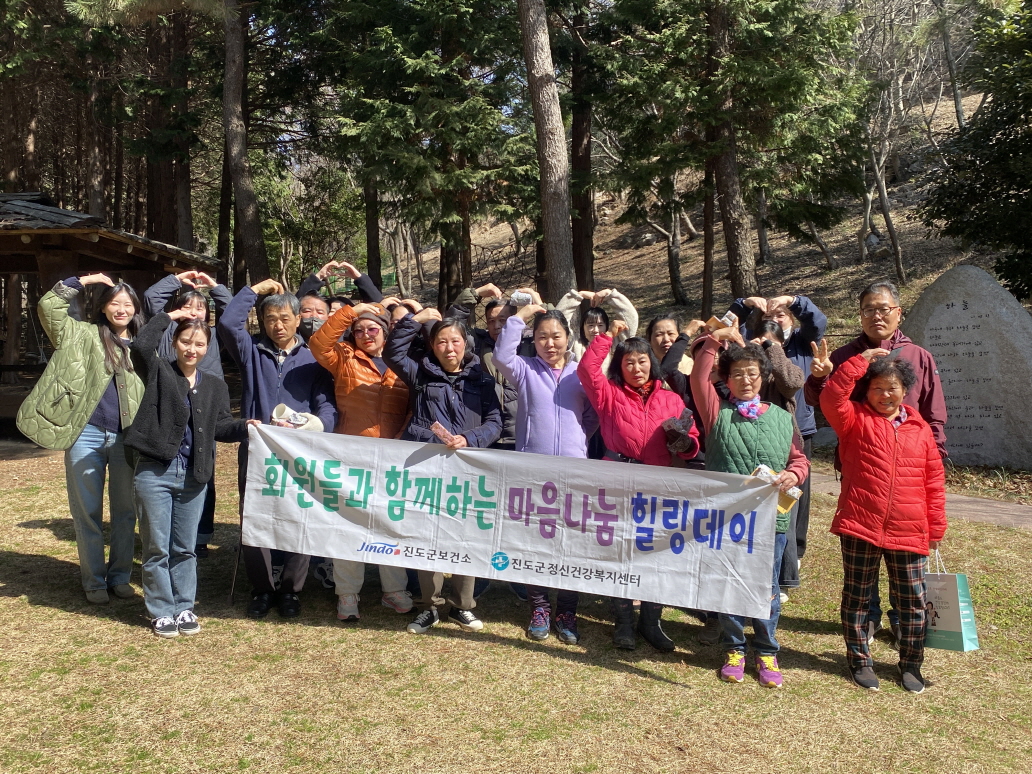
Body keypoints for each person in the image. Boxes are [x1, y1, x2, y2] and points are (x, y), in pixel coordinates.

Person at [806, 281, 947, 645]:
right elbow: (822, 401)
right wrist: (819, 378)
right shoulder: (844, 354)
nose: (876, 316)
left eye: (884, 309)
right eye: (869, 309)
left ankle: (902, 619)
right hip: (863, 467)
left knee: (905, 552)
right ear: (860, 315)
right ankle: (867, 617)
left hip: (911, 472)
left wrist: (935, 456)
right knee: (862, 546)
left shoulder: (918, 356)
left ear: (899, 312)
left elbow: (933, 412)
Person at [820, 350, 946, 693]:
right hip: (860, 523)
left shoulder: (920, 429)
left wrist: (936, 527)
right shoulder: (853, 418)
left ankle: (911, 665)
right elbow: (831, 397)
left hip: (910, 528)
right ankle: (860, 660)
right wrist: (859, 362)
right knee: (857, 597)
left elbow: (934, 482)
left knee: (912, 601)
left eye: (892, 387)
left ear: (904, 390)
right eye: (877, 387)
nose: (884, 394)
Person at [690, 329, 810, 688]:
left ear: (764, 377)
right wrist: (714, 340)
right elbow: (698, 378)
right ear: (726, 379)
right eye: (737, 373)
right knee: (728, 583)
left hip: (771, 520)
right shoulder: (717, 413)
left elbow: (799, 459)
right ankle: (734, 648)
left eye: (752, 373)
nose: (745, 379)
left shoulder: (781, 417)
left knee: (767, 587)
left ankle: (767, 650)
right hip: (727, 520)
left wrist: (794, 474)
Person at [126, 310, 256, 637]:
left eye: (199, 344)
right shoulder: (158, 371)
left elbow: (221, 426)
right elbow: (140, 346)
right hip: (155, 471)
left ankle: (184, 607)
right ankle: (161, 610)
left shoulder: (214, 385)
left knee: (185, 547)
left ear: (207, 348)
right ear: (174, 342)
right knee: (156, 547)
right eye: (185, 341)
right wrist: (169, 315)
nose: (191, 349)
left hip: (194, 476)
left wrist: (246, 426)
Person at [19, 274, 145, 604]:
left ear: (135, 309)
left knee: (125, 512)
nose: (121, 309)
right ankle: (94, 581)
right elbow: (49, 307)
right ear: (102, 307)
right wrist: (85, 280)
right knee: (87, 512)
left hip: (126, 438)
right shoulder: (80, 333)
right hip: (85, 434)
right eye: (114, 302)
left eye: (127, 304)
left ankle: (120, 577)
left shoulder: (144, 347)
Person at [218, 279, 337, 620]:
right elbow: (227, 323)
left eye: (285, 318)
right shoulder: (251, 351)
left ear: (299, 319)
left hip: (299, 451)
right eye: (270, 319)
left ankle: (290, 590)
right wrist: (253, 291)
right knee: (255, 517)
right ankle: (262, 588)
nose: (278, 325)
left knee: (299, 516)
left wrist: (319, 425)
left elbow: (326, 404)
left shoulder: (313, 358)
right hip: (258, 448)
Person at [578, 320, 699, 652]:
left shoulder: (671, 399)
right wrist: (606, 337)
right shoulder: (609, 394)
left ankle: (651, 622)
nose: (636, 368)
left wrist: (685, 444)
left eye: (642, 361)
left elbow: (691, 441)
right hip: (618, 477)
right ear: (620, 366)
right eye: (628, 362)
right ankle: (623, 623)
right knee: (621, 550)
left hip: (658, 481)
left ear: (652, 363)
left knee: (654, 550)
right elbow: (587, 370)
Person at [385, 309, 502, 634]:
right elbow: (392, 352)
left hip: (468, 468)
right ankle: (430, 607)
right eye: (441, 342)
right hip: (429, 468)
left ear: (466, 344)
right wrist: (416, 318)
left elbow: (495, 421)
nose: (449, 348)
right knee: (429, 537)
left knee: (466, 536)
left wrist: (470, 439)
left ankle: (462, 607)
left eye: (455, 341)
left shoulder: (482, 378)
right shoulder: (419, 373)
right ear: (433, 345)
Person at [492, 304, 599, 644]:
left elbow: (592, 415)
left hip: (573, 472)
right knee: (533, 542)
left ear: (568, 338)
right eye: (542, 337)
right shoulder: (525, 370)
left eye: (556, 336)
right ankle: (539, 607)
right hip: (533, 472)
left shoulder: (580, 373)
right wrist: (519, 316)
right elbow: (501, 355)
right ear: (533, 340)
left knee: (570, 543)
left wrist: (577, 441)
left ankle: (567, 610)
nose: (549, 343)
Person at [308, 300, 413, 622]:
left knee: (390, 523)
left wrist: (402, 440)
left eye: (372, 328)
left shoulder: (401, 362)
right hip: (351, 455)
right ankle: (347, 593)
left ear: (385, 332)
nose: (366, 334)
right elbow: (318, 344)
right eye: (359, 330)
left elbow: (413, 407)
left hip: (393, 456)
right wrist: (350, 312)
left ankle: (394, 589)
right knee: (349, 524)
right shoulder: (344, 357)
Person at [731, 294, 826, 592]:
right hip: (746, 434)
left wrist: (774, 345)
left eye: (781, 315)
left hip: (789, 436)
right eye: (768, 319)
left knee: (789, 503)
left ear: (791, 320)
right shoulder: (746, 356)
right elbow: (725, 329)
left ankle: (786, 570)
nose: (774, 320)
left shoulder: (797, 344)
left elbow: (792, 382)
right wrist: (744, 305)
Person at [143, 270, 233, 558]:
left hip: (206, 411)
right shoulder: (170, 334)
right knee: (166, 471)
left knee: (203, 473)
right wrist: (175, 280)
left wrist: (214, 287)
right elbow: (150, 300)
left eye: (201, 308)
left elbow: (233, 310)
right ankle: (167, 533)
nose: (194, 312)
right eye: (188, 306)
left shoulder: (214, 336)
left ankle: (200, 536)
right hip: (171, 409)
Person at [556, 286, 639, 365]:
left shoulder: (616, 344)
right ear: (583, 327)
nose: (595, 330)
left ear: (606, 327)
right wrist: (577, 296)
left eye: (600, 325)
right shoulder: (574, 345)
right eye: (590, 325)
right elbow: (557, 324)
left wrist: (610, 294)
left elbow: (630, 318)